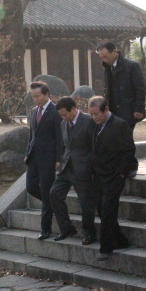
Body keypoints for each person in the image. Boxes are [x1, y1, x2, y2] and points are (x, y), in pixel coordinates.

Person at [88, 97, 135, 261]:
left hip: (114, 174)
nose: (94, 117)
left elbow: (129, 150)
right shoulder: (97, 125)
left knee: (108, 209)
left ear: (106, 110)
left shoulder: (119, 125)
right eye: (91, 114)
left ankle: (106, 248)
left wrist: (122, 173)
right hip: (100, 174)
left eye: (96, 114)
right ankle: (121, 240)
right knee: (101, 208)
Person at [49, 97, 97, 244]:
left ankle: (89, 233)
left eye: (65, 114)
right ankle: (66, 228)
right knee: (54, 194)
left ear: (74, 109)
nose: (64, 117)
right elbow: (64, 145)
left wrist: (90, 164)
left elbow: (95, 145)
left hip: (83, 168)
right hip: (66, 167)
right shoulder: (63, 124)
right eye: (61, 115)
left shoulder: (88, 121)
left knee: (85, 203)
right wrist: (59, 160)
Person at [97, 41, 146, 177]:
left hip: (128, 109)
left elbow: (140, 88)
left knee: (126, 139)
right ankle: (119, 166)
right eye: (101, 57)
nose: (104, 59)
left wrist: (139, 108)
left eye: (106, 56)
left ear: (114, 52)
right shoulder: (107, 67)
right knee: (115, 139)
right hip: (113, 110)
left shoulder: (131, 66)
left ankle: (131, 167)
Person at [24, 81, 62, 240]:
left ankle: (45, 229)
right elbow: (31, 135)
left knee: (46, 192)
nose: (35, 99)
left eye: (38, 96)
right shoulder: (33, 112)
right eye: (33, 97)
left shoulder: (55, 111)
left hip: (48, 158)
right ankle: (52, 202)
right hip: (33, 157)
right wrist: (27, 153)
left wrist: (58, 158)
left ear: (46, 94)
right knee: (31, 187)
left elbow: (59, 137)